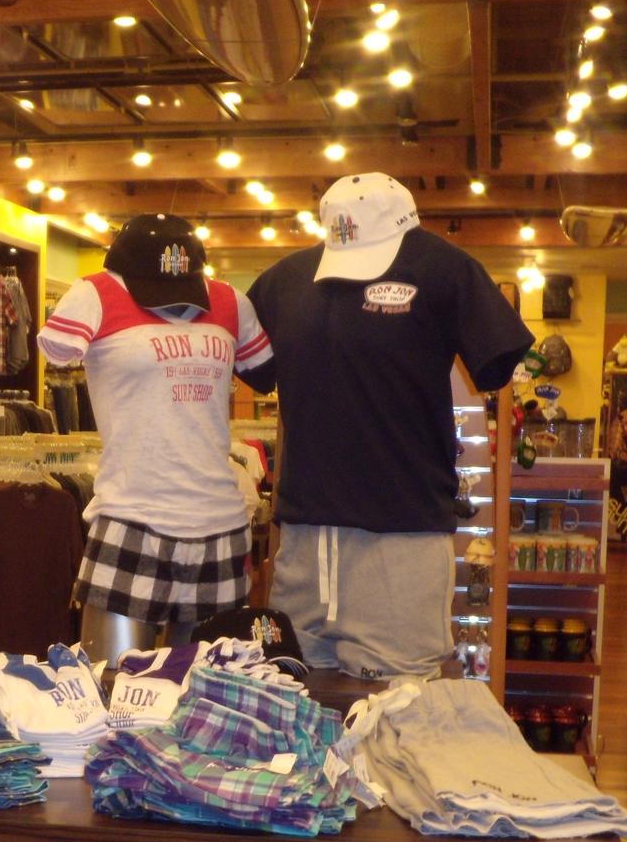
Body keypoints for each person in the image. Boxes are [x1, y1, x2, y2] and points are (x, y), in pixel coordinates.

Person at [245, 174, 533, 680]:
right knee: (293, 713)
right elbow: (256, 371)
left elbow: (495, 364)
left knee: (399, 724)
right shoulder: (282, 283)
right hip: (304, 549)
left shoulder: (445, 271)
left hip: (402, 547)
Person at [38, 213, 274, 663]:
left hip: (220, 525)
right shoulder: (96, 294)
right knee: (110, 689)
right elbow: (60, 353)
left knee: (211, 696)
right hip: (132, 519)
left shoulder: (228, 301)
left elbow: (262, 368)